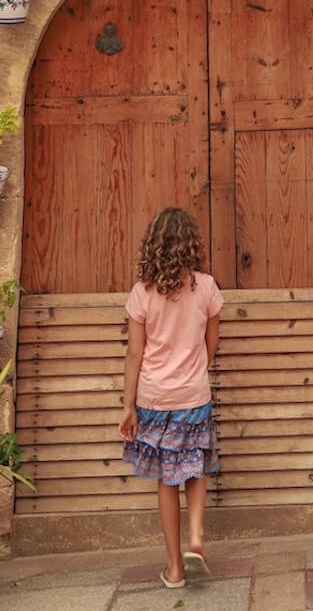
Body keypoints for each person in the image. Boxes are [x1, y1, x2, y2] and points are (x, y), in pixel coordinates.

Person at [118, 207, 223, 590]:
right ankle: (196, 538)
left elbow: (134, 353)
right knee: (194, 469)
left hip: (153, 399)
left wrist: (129, 405)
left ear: (153, 244)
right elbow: (211, 342)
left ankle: (175, 568)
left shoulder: (141, 293)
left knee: (166, 480)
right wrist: (194, 372)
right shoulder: (207, 287)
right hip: (193, 396)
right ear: (191, 244)